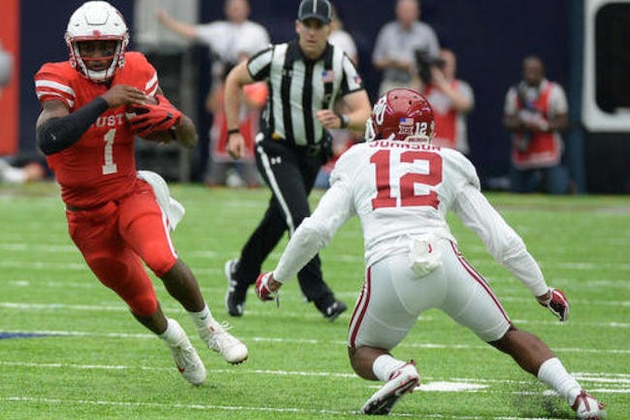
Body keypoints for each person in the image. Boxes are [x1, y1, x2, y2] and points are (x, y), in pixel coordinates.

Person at [254, 88, 607, 418]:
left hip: (390, 266)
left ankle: (398, 370)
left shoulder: (358, 159)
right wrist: (542, 291)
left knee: (361, 352)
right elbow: (501, 238)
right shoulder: (449, 161)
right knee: (509, 337)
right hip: (445, 262)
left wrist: (275, 279)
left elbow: (314, 230)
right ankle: (579, 396)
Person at [34, 1, 248, 386]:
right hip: (85, 214)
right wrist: (104, 101)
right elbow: (50, 139)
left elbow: (185, 137)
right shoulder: (57, 78)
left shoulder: (136, 69)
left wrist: (177, 122)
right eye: (88, 48)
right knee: (141, 300)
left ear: (121, 44)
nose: (97, 56)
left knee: (162, 258)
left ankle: (210, 328)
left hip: (130, 191)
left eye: (105, 47)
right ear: (73, 48)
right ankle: (176, 340)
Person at [222, 0, 372, 320]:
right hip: (275, 147)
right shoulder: (276, 56)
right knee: (301, 219)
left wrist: (343, 121)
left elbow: (365, 112)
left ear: (330, 28)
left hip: (312, 155)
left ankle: (240, 275)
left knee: (277, 221)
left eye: (319, 25)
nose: (313, 32)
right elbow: (235, 79)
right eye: (308, 24)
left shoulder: (339, 62)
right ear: (297, 26)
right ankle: (320, 296)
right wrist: (234, 130)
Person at [157, 0, 270, 188]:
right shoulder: (219, 31)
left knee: (249, 157)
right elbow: (193, 32)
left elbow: (257, 98)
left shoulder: (256, 33)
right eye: (232, 7)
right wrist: (166, 21)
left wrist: (243, 86)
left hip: (247, 101)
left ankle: (247, 175)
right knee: (219, 145)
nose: (236, 11)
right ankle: (221, 173)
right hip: (222, 93)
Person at [503, 55, 570, 194]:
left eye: (535, 70)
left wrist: (542, 126)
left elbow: (563, 121)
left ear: (542, 71)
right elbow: (507, 120)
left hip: (547, 153)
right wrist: (521, 124)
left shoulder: (553, 91)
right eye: (528, 70)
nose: (531, 74)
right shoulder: (515, 92)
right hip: (523, 152)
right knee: (516, 195)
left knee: (556, 192)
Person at [371, 0, 440, 95]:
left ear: (417, 12)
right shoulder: (387, 31)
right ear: (397, 11)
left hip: (416, 84)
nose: (407, 13)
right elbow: (376, 60)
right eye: (404, 10)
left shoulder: (426, 33)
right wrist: (393, 62)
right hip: (390, 84)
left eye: (410, 10)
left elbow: (434, 61)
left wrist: (413, 66)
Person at [421, 48, 474, 154]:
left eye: (445, 64)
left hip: (453, 148)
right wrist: (419, 75)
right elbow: (406, 106)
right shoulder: (424, 88)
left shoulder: (461, 87)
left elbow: (466, 106)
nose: (442, 68)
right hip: (428, 147)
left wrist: (441, 82)